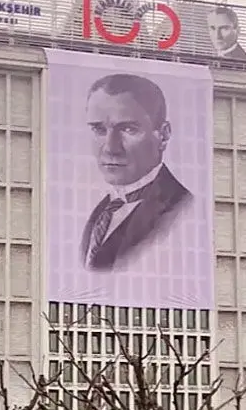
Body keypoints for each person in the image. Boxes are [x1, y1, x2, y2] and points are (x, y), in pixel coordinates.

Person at [78, 73, 191, 271]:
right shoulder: (101, 211)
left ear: (163, 135)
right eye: (98, 130)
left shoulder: (181, 209)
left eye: (128, 129)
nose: (111, 148)